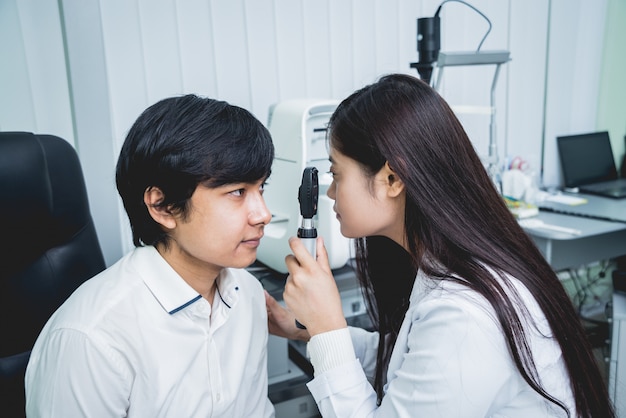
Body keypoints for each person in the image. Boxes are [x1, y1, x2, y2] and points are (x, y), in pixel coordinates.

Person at [266, 74, 615, 417]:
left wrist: (327, 327)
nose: (329, 192)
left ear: (392, 179)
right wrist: (304, 329)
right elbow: (408, 361)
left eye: (336, 174)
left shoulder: (464, 315)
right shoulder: (445, 264)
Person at [25, 94, 276, 417]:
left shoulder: (248, 293)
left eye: (261, 189)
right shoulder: (90, 339)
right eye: (237, 192)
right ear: (163, 206)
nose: (263, 214)